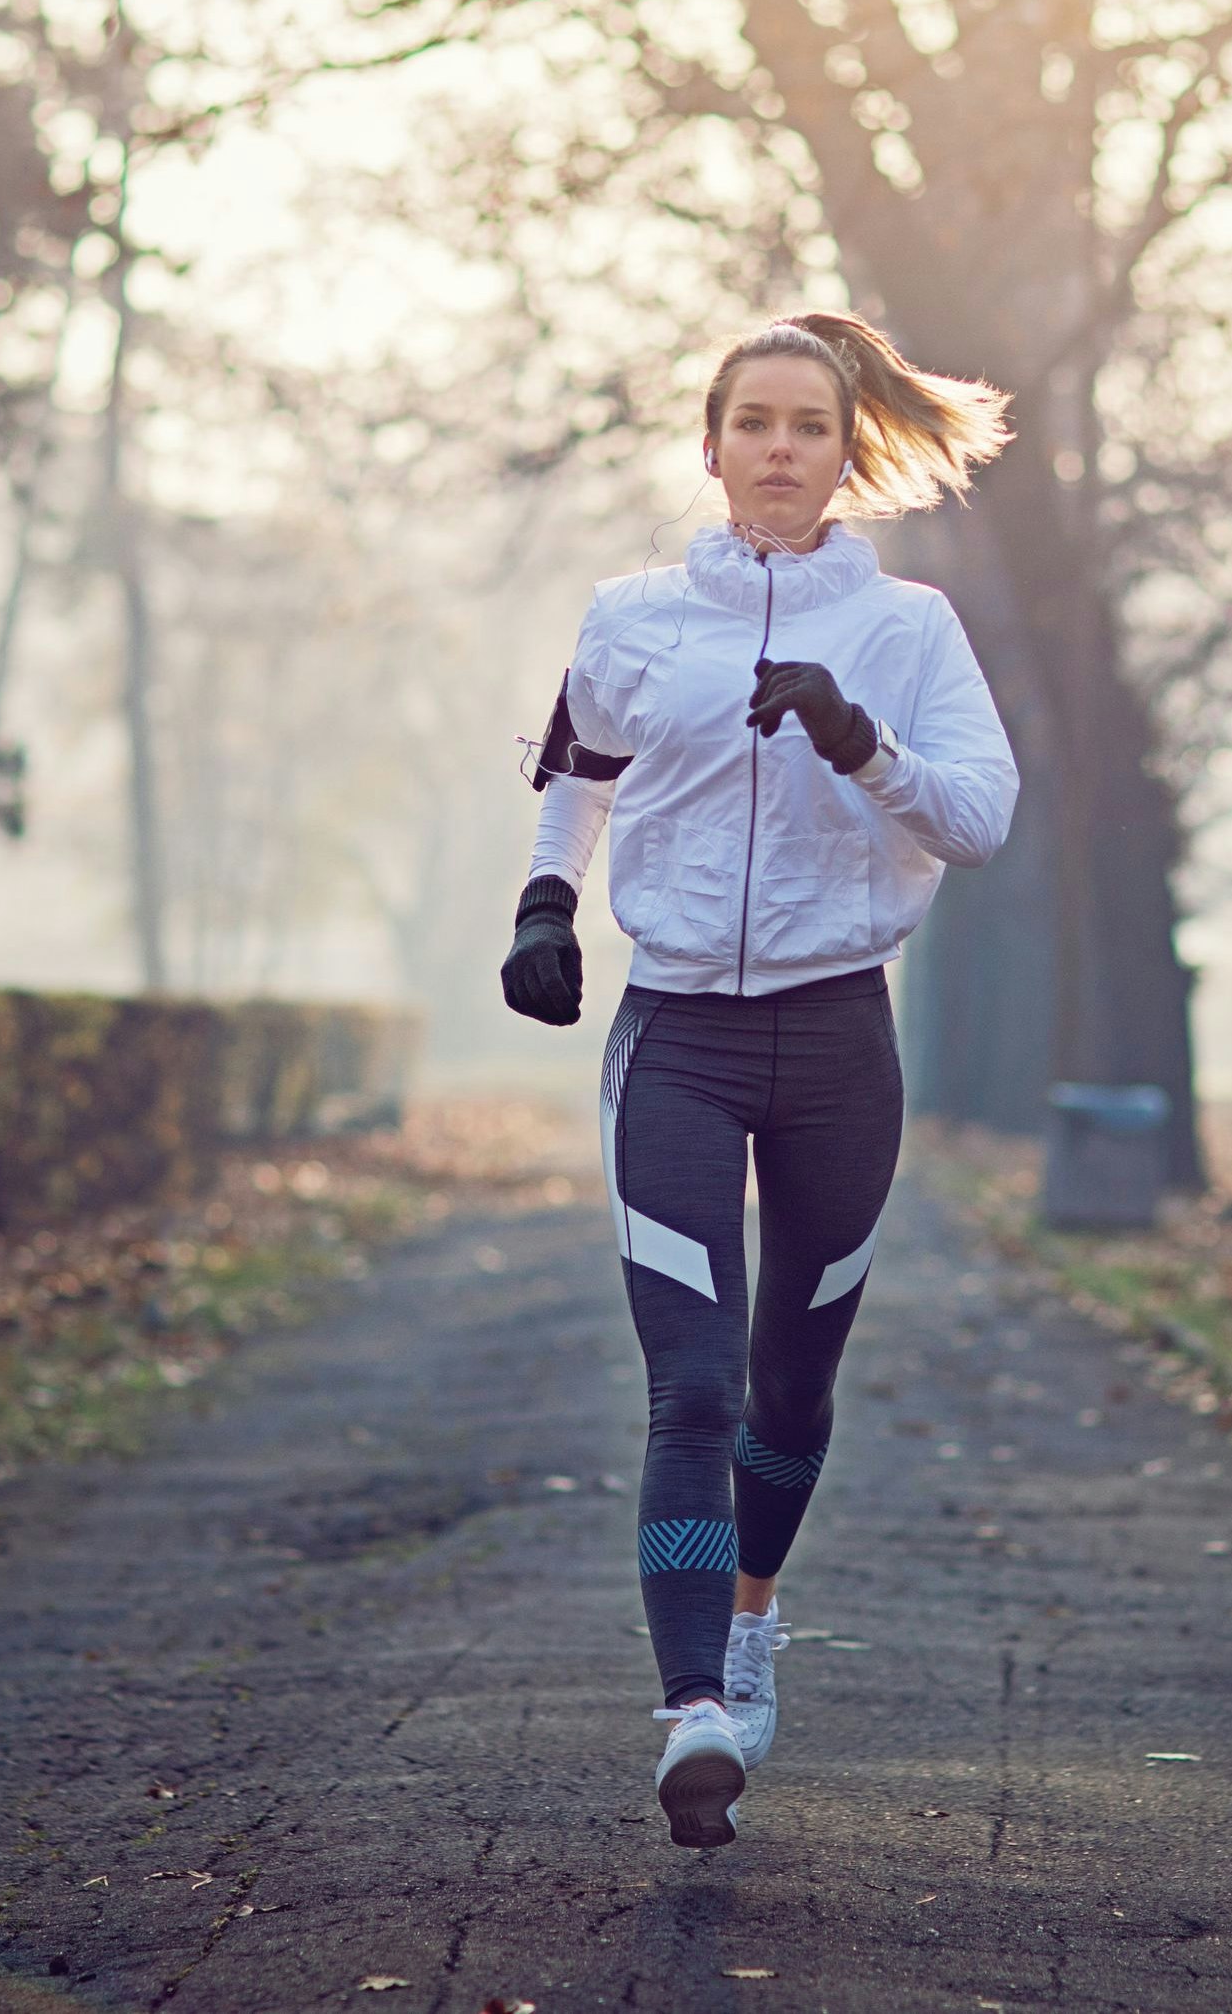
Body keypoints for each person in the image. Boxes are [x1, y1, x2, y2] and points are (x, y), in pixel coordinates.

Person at [502, 312, 1019, 1850]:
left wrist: (860, 743)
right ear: (712, 445)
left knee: (791, 1387)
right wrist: (544, 905)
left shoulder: (911, 629)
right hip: (676, 1037)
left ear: (848, 449)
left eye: (810, 424)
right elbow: (576, 766)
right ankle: (691, 1711)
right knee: (698, 1381)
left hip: (839, 1045)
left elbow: (980, 817)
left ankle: (749, 1622)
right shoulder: (633, 616)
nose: (781, 448)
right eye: (755, 423)